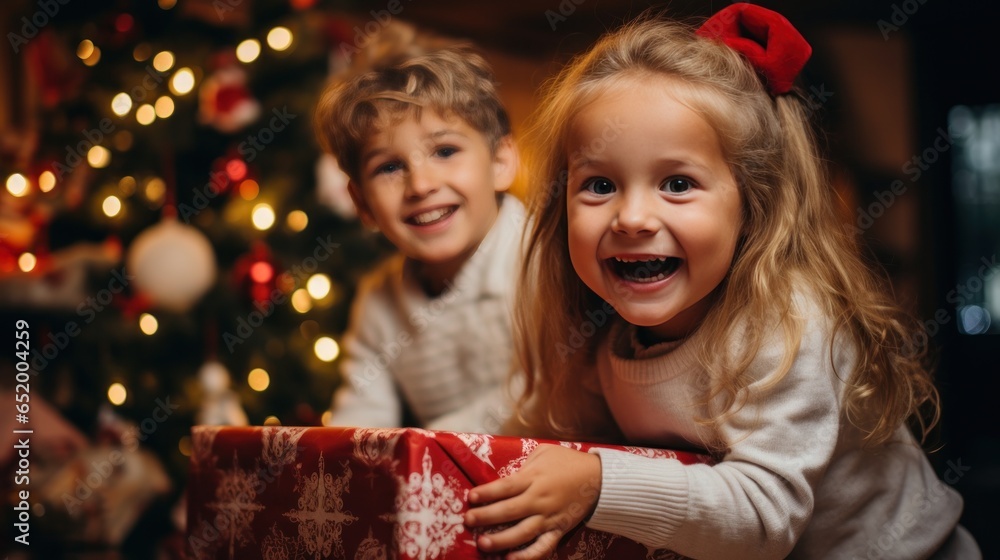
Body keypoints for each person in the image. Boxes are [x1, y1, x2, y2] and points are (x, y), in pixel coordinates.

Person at [464, 5, 981, 559]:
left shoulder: (787, 327)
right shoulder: (600, 333)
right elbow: (536, 420)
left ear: (753, 206)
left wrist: (598, 482)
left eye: (678, 183)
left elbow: (762, 519)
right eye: (599, 185)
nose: (632, 217)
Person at [313, 44, 523, 434]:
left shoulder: (545, 259)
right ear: (362, 203)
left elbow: (548, 394)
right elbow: (360, 423)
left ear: (500, 163)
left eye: (445, 151)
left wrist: (427, 445)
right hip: (452, 485)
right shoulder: (378, 302)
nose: (421, 185)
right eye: (390, 166)